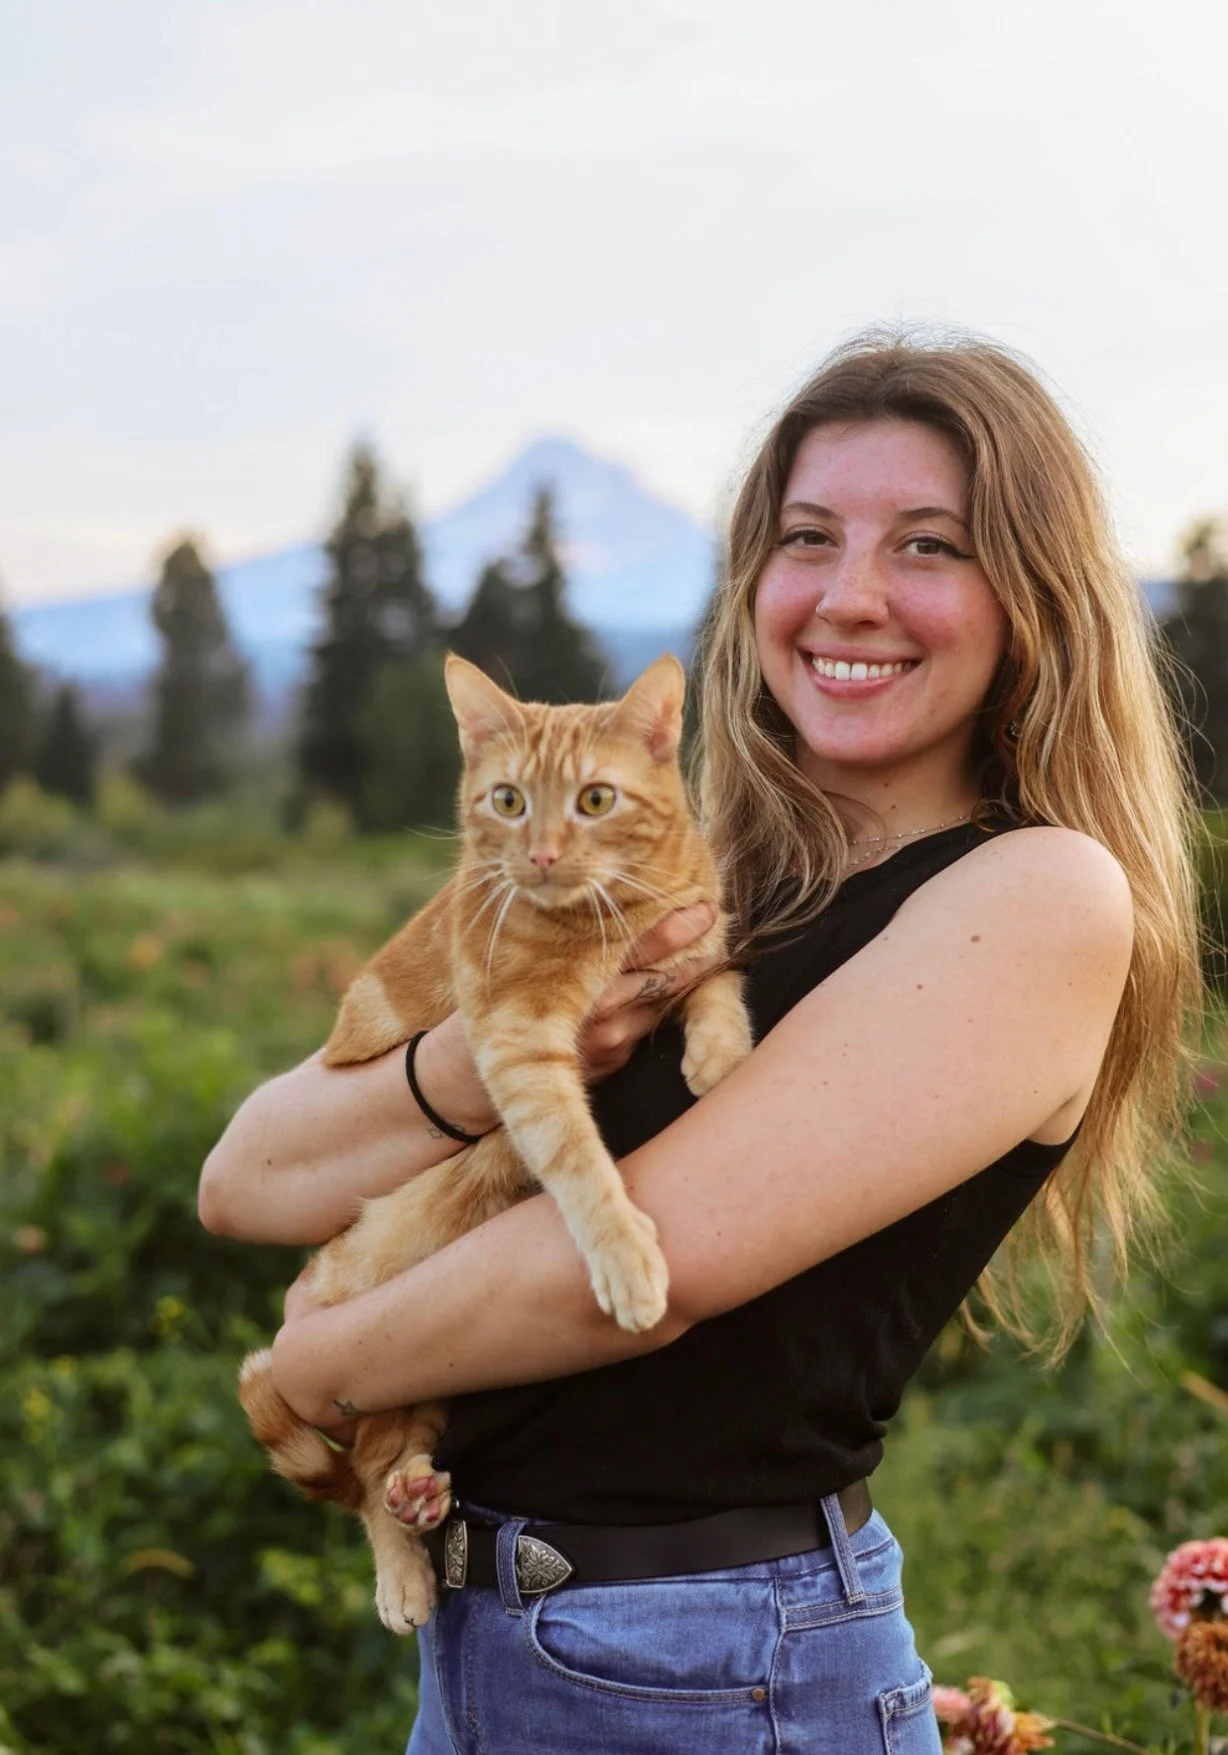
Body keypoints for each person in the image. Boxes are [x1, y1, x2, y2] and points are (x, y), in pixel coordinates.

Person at [199, 333, 1201, 1755]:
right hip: (496, 1643)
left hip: (722, 1669)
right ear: (753, 579)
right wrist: (495, 1062)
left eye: (929, 544)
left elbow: (654, 1267)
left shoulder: (1037, 896)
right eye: (809, 537)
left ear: (1030, 598)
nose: (851, 593)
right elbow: (246, 1177)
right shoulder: (664, 858)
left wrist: (311, 1368)